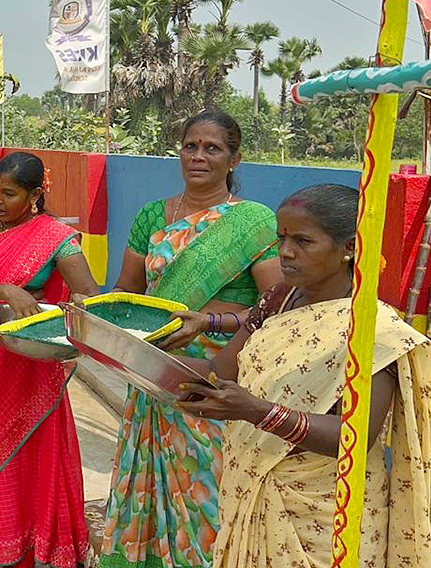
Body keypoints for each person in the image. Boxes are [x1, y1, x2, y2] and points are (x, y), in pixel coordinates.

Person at [174, 184, 431, 567]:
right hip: (251, 488)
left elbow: (354, 437)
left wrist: (257, 412)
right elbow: (218, 372)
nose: (285, 252)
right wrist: (131, 350)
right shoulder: (278, 300)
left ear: (348, 248)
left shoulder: (373, 331)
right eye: (281, 238)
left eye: (303, 241)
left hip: (323, 517)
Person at [94, 110, 284, 568]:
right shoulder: (151, 217)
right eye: (190, 146)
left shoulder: (253, 223)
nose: (199, 156)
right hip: (152, 375)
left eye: (212, 148)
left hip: (214, 378)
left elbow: (275, 305)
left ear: (234, 159)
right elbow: (128, 291)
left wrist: (210, 321)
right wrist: (90, 311)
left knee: (207, 491)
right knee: (152, 484)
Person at [0, 150, 101, 568]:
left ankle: (32, 542)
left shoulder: (53, 235)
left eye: (9, 193)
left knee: (32, 448)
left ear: (34, 196)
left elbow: (87, 290)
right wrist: (3, 291)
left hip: (30, 358)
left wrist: (86, 304)